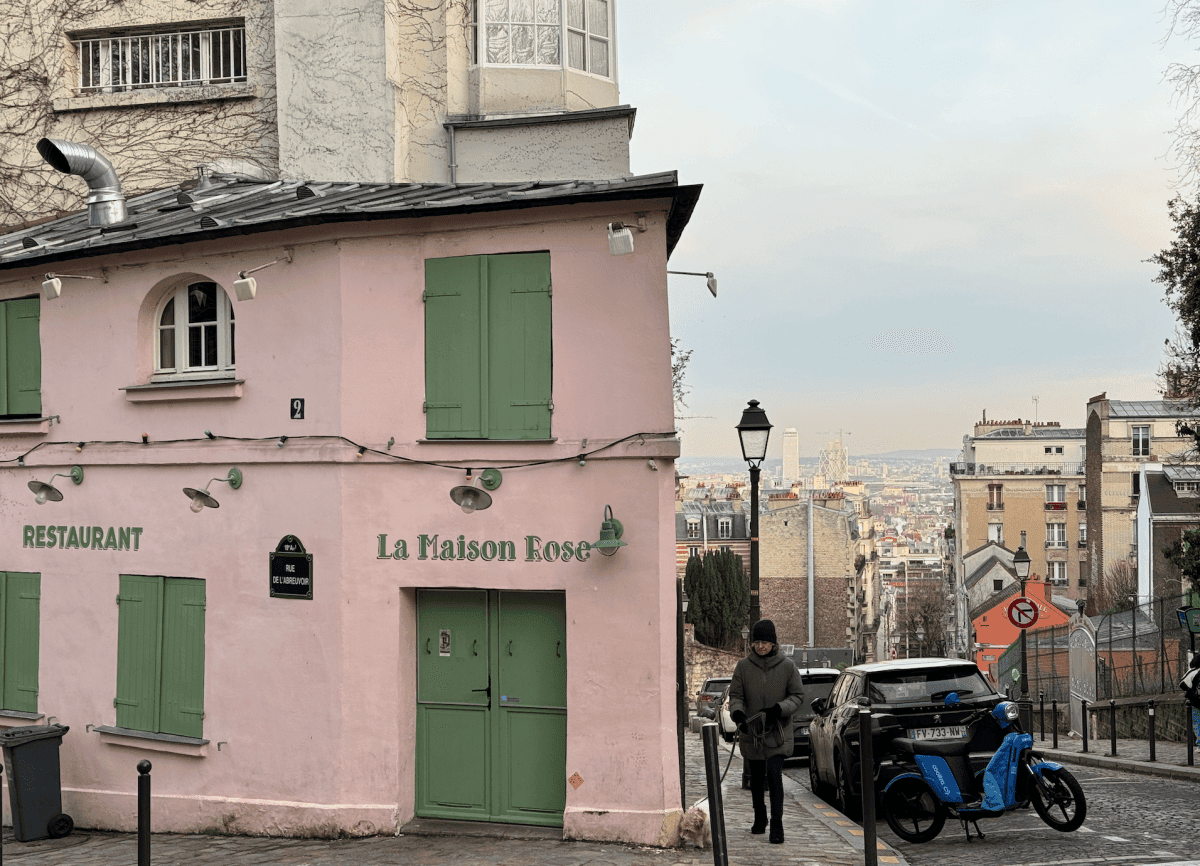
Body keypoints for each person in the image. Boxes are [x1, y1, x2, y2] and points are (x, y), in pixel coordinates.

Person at [727, 619, 805, 845]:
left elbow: (798, 696)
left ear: (774, 643)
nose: (761, 646)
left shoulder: (788, 666)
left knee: (774, 776)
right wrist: (738, 714)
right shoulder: (743, 666)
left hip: (777, 731)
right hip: (753, 732)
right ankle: (759, 816)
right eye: (757, 642)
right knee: (756, 778)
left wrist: (779, 709)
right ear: (752, 643)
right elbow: (736, 696)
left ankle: (777, 825)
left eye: (766, 642)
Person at [1181, 650, 1200, 747]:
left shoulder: (1193, 672)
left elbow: (1182, 684)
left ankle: (1199, 743)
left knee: (1197, 722)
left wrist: (1190, 692)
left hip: (1196, 702)